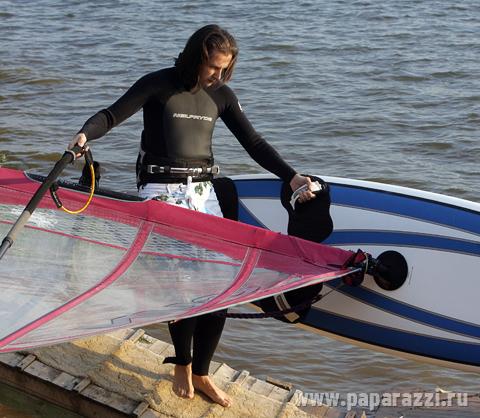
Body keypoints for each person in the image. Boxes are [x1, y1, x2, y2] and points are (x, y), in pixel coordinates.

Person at [69, 24, 316, 407]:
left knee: (223, 282)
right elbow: (112, 115)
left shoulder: (221, 96)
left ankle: (201, 370)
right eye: (213, 68)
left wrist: (292, 176)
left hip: (204, 192)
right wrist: (85, 135)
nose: (218, 76)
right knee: (182, 282)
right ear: (196, 56)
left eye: (225, 70)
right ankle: (181, 363)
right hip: (160, 189)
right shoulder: (157, 84)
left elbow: (254, 143)